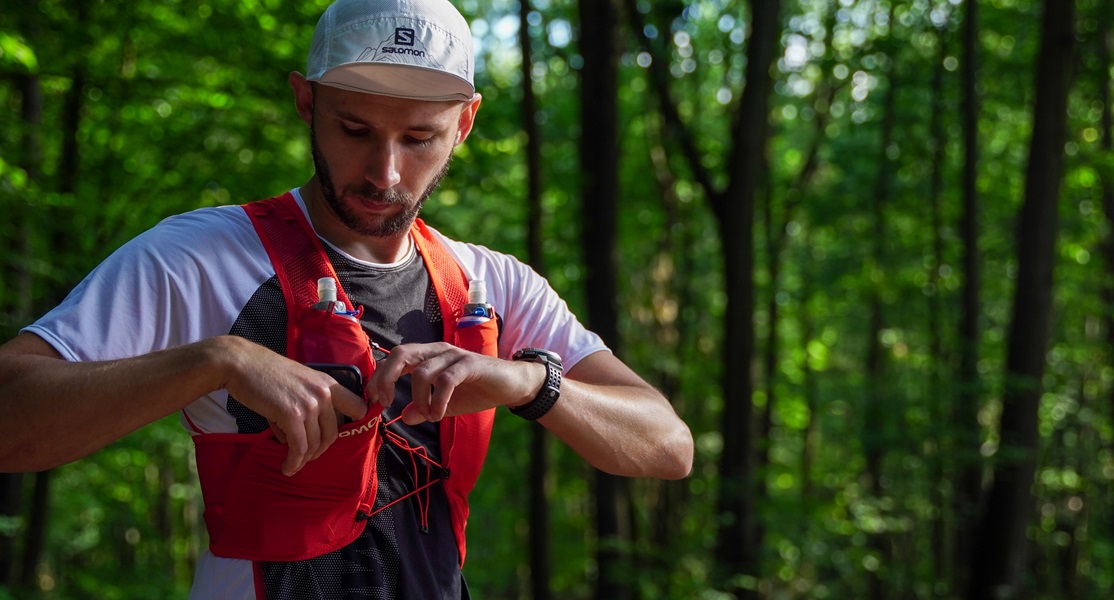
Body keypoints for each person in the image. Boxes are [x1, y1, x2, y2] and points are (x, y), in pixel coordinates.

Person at [0, 0, 694, 598]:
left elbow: (666, 445)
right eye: (354, 129)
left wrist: (525, 381)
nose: (385, 173)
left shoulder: (494, 284)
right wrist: (213, 361)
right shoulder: (200, 257)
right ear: (307, 101)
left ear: (466, 124)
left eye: (419, 138)